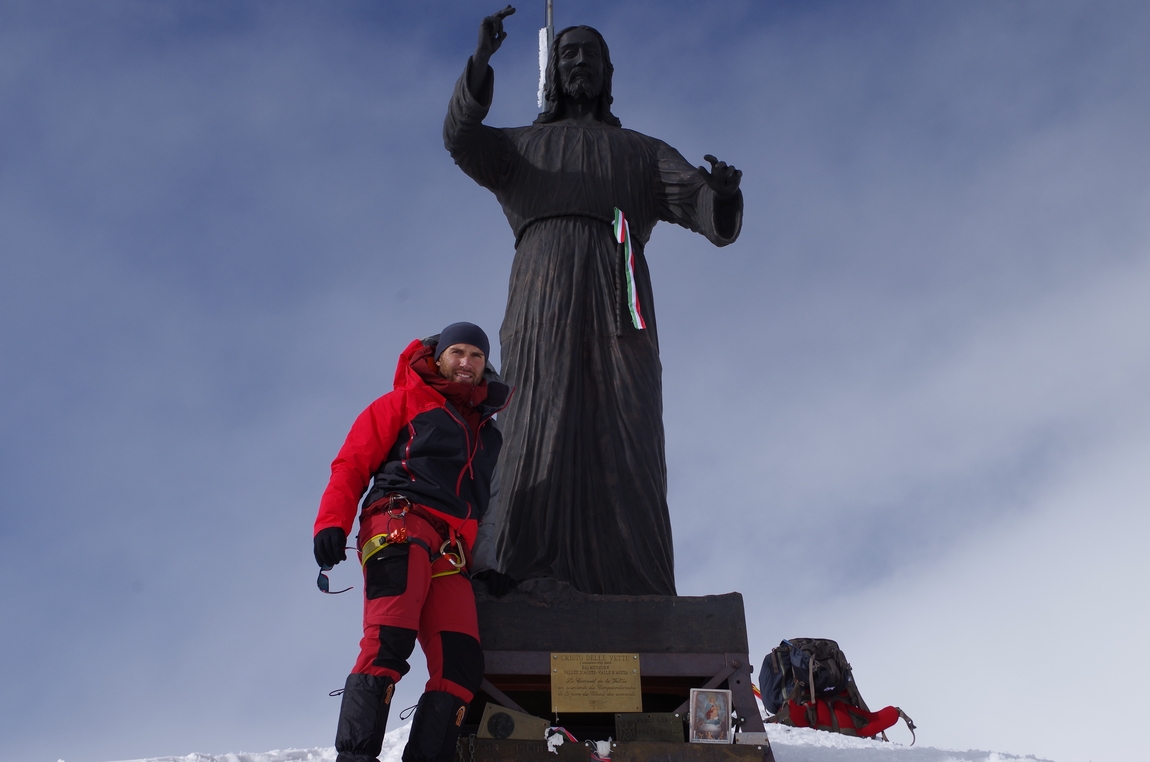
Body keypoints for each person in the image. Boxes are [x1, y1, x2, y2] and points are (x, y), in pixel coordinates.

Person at [444, 7, 743, 596]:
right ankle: (519, 567)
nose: (580, 62)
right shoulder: (521, 146)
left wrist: (724, 196)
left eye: (591, 55)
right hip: (543, 292)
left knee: (628, 419)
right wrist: (480, 62)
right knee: (539, 413)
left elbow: (707, 213)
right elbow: (461, 138)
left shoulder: (641, 152)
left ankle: (637, 583)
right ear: (553, 72)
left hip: (620, 297)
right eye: (568, 54)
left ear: (608, 73)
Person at [312, 322, 511, 762]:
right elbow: (351, 464)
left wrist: (485, 565)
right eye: (457, 352)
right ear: (438, 358)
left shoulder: (489, 435)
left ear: (484, 367)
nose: (467, 362)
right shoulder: (400, 402)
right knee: (389, 641)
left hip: (451, 553)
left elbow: (489, 507)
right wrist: (331, 522)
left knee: (461, 666)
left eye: (476, 356)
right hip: (399, 525)